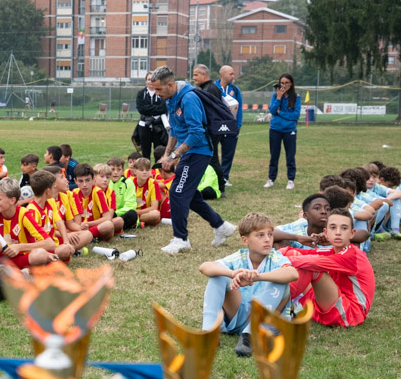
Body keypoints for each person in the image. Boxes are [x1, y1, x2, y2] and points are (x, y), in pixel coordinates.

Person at [149, 66, 236, 254]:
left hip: (199, 152)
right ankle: (221, 226)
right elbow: (174, 130)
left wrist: (174, 156)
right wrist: (167, 154)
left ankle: (181, 239)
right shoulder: (171, 99)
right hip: (189, 152)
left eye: (158, 89)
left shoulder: (188, 99)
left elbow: (196, 133)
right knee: (189, 194)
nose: (156, 93)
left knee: (177, 192)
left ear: (170, 85)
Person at [200, 213, 298, 357]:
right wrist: (232, 273)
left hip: (265, 322)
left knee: (281, 281)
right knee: (217, 275)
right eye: (260, 235)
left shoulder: (275, 257)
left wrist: (258, 277)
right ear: (245, 240)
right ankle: (209, 332)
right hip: (238, 316)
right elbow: (204, 267)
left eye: (270, 234)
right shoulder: (239, 257)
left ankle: (250, 335)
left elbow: (293, 274)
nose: (267, 239)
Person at [283, 209, 375, 328]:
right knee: (295, 256)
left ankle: (276, 306)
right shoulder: (333, 251)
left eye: (344, 228)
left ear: (352, 234)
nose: (338, 232)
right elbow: (292, 252)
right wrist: (275, 255)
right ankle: (280, 303)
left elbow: (312, 262)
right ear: (325, 233)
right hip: (334, 301)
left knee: (311, 267)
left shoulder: (352, 255)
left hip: (350, 314)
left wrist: (279, 261)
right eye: (333, 228)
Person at [0, 178, 57, 268]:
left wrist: (19, 247)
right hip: (0, 258)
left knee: (40, 254)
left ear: (12, 200)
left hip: (21, 258)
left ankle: (9, 270)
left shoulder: (24, 214)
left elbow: (50, 244)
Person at [192, 64, 224, 195]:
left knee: (212, 158)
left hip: (211, 130)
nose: (194, 78)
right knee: (210, 158)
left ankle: (220, 186)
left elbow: (209, 111)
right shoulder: (208, 88)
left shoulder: (209, 89)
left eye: (196, 75)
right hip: (211, 129)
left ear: (204, 74)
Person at [265, 73, 300, 190]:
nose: (284, 85)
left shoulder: (296, 97)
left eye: (286, 83)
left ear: (291, 84)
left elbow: (295, 115)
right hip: (275, 129)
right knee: (274, 155)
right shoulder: (275, 95)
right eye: (282, 83)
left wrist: (280, 112)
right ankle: (271, 179)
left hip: (289, 130)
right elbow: (272, 110)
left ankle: (290, 180)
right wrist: (278, 98)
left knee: (290, 156)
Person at [214, 65, 243, 187]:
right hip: (216, 126)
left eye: (233, 74)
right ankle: (214, 176)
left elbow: (239, 108)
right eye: (231, 74)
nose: (233, 76)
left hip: (231, 126)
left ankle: (225, 177)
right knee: (212, 154)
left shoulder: (235, 90)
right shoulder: (213, 87)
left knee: (228, 153)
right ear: (222, 74)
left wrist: (238, 125)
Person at [72, 163, 115, 241]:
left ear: (93, 179)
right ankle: (88, 237)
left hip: (94, 226)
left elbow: (107, 217)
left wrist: (88, 224)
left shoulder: (98, 192)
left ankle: (87, 237)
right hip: (79, 228)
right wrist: (78, 226)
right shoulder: (74, 193)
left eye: (87, 180)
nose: (84, 184)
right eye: (80, 181)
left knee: (109, 225)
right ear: (75, 181)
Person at [135, 71, 168, 160]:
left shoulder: (161, 93)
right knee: (145, 152)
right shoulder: (141, 93)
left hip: (158, 126)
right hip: (144, 125)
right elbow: (141, 109)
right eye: (149, 79)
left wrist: (148, 109)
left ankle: (158, 168)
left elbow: (164, 108)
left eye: (153, 79)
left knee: (159, 151)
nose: (150, 82)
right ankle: (145, 168)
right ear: (146, 81)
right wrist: (156, 109)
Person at [107, 157, 139, 230]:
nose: (115, 172)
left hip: (120, 215)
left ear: (123, 171)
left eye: (119, 170)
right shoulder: (105, 182)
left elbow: (130, 205)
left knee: (132, 214)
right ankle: (112, 225)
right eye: (112, 169)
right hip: (107, 215)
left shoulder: (128, 183)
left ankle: (113, 225)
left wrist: (115, 213)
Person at [130, 158, 162, 227]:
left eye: (147, 170)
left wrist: (136, 212)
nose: (145, 172)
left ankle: (134, 221)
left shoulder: (153, 183)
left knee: (155, 214)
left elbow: (154, 207)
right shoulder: (129, 182)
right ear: (135, 171)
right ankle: (137, 221)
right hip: (130, 212)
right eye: (141, 170)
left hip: (145, 213)